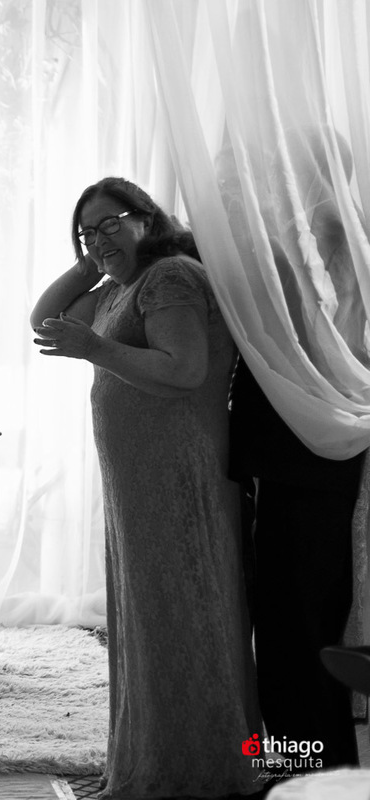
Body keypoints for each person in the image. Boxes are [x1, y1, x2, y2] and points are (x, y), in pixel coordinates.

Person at [30, 177, 260, 798]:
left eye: (111, 224)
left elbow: (185, 370)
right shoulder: (125, 282)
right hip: (141, 480)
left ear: (146, 218)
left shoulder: (170, 278)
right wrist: (91, 260)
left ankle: (198, 766)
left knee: (181, 615)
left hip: (177, 475)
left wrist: (96, 349)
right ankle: (161, 754)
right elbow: (43, 318)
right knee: (151, 618)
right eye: (86, 230)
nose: (99, 238)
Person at [224, 128, 368, 771]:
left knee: (294, 624)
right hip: (300, 456)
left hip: (311, 455)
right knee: (293, 622)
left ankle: (303, 765)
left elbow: (321, 345)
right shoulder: (318, 232)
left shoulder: (327, 236)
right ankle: (301, 759)